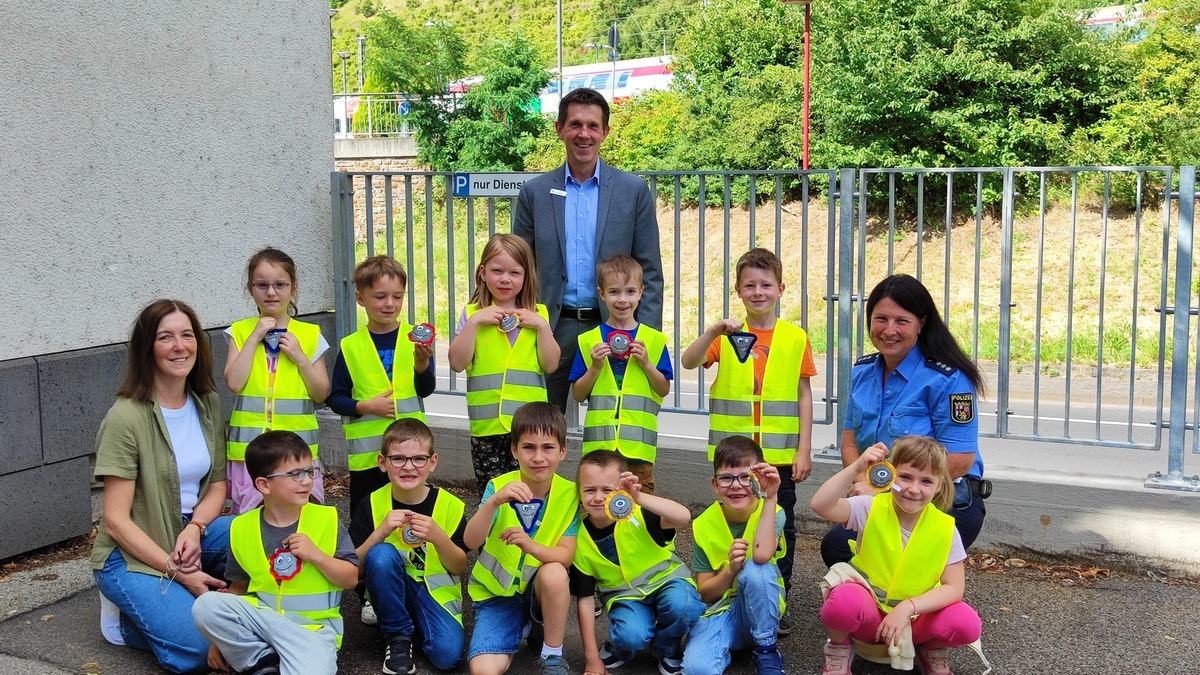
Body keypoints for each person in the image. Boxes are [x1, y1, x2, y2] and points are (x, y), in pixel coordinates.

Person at [91, 299, 233, 673]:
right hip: (132, 551)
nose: (179, 346)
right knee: (205, 650)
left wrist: (195, 528)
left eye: (187, 335)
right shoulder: (125, 417)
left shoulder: (208, 403)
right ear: (147, 349)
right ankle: (124, 621)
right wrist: (179, 571)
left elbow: (217, 485)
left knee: (269, 535)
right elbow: (116, 521)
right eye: (165, 337)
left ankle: (184, 602)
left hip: (188, 531)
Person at [680, 247, 814, 632]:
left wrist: (804, 448)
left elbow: (803, 393)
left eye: (766, 285)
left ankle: (776, 597)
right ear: (737, 291)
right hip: (733, 459)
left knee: (779, 528)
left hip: (778, 458)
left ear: (781, 289)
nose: (758, 292)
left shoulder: (795, 337)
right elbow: (689, 362)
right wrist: (711, 331)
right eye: (749, 285)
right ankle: (728, 589)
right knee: (733, 525)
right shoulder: (727, 335)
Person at [821, 273, 989, 568]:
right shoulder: (862, 372)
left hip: (941, 498)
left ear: (921, 324)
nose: (889, 330)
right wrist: (863, 481)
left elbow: (960, 460)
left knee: (887, 559)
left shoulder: (947, 380)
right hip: (886, 497)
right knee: (838, 548)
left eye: (901, 321)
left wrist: (881, 490)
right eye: (880, 319)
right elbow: (849, 444)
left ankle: (922, 606)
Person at [513, 86, 663, 413]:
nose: (584, 134)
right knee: (539, 426)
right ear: (560, 130)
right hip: (551, 325)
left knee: (610, 426)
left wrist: (646, 336)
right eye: (576, 125)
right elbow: (518, 266)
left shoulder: (632, 191)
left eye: (593, 126)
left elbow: (650, 270)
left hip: (612, 325)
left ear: (605, 132)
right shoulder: (535, 192)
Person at [810, 436, 983, 675]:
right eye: (905, 477)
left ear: (939, 485)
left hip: (915, 617)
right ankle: (838, 648)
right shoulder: (871, 506)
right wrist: (857, 467)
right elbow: (821, 505)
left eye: (926, 481)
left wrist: (908, 607)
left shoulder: (946, 528)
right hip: (870, 613)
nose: (913, 489)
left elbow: (954, 588)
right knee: (842, 603)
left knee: (967, 623)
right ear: (890, 474)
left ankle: (932, 648)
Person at [192, 431, 359, 675]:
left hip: (312, 631)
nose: (306, 481)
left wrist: (317, 556)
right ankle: (263, 662)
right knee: (206, 605)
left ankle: (273, 665)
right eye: (295, 474)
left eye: (309, 471)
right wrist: (220, 641)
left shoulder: (327, 519)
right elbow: (238, 588)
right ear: (263, 484)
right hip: (263, 625)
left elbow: (351, 578)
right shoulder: (241, 527)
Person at [327, 254, 437, 627]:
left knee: (412, 520)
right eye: (379, 297)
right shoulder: (351, 345)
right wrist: (364, 405)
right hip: (367, 461)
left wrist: (424, 364)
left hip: (409, 459)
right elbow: (334, 396)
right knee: (367, 524)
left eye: (396, 296)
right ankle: (368, 594)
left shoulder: (414, 340)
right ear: (360, 299)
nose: (389, 304)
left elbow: (426, 388)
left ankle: (414, 582)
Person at [463, 402, 580, 675]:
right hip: (497, 596)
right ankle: (524, 626)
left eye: (548, 447)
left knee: (554, 572)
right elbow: (470, 541)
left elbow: (566, 556)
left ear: (563, 451)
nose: (538, 457)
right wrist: (493, 503)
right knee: (483, 670)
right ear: (514, 450)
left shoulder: (570, 494)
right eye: (529, 447)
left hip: (539, 592)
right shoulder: (498, 487)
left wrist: (530, 546)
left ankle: (552, 654)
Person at [350, 419, 468, 674]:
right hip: (390, 586)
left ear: (432, 462)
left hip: (433, 594)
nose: (408, 467)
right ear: (383, 463)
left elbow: (459, 567)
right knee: (381, 554)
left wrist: (439, 537)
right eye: (398, 459)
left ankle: (414, 621)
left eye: (418, 459)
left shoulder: (451, 506)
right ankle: (398, 637)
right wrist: (379, 533)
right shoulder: (370, 503)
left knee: (447, 657)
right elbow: (352, 571)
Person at [571, 450, 702, 675]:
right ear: (579, 493)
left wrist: (639, 498)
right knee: (631, 636)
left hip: (667, 583)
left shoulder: (639, 514)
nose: (598, 497)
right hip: (625, 597)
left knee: (684, 606)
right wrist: (591, 658)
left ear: (621, 490)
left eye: (607, 490)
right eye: (589, 490)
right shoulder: (578, 538)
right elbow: (584, 601)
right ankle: (622, 647)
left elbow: (683, 517)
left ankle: (665, 648)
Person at [448, 234, 559, 491]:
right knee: (494, 495)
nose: (505, 279)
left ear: (526, 276)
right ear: (483, 273)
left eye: (514, 272)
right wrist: (474, 323)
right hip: (487, 428)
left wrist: (542, 327)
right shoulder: (472, 314)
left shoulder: (539, 314)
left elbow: (551, 364)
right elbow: (456, 362)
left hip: (532, 430)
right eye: (497, 271)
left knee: (532, 493)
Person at [224, 247, 330, 514]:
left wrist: (300, 358)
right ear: (250, 288)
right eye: (262, 285)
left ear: (293, 287)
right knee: (251, 524)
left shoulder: (310, 334)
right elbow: (234, 383)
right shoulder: (239, 331)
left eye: (280, 285)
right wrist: (253, 338)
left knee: (300, 521)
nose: (271, 293)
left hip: (296, 453)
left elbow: (321, 393)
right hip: (249, 455)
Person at [681, 436, 786, 675]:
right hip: (719, 612)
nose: (736, 485)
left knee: (756, 570)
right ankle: (725, 644)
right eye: (726, 478)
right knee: (697, 669)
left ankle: (766, 649)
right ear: (714, 484)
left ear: (759, 479)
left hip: (758, 615)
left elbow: (761, 555)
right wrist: (730, 570)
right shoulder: (703, 524)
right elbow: (705, 593)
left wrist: (770, 497)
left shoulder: (774, 511)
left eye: (746, 477)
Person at [570, 255, 672, 494]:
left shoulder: (654, 341)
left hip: (638, 451)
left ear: (641, 292)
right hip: (599, 451)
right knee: (598, 508)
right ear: (601, 293)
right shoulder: (588, 341)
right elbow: (578, 394)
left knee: (639, 509)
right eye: (614, 292)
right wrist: (595, 367)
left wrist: (647, 364)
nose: (622, 299)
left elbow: (663, 389)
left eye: (630, 291)